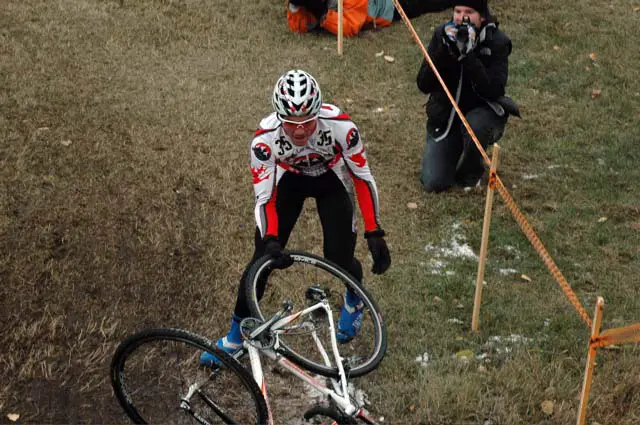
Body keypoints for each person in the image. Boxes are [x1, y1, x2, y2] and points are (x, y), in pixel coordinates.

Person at [200, 69, 391, 366]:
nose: (300, 131)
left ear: (319, 112)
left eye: (307, 122)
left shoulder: (342, 126)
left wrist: (374, 230)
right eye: (291, 123)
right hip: (289, 180)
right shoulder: (264, 140)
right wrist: (273, 238)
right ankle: (235, 337)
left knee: (338, 257)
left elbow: (362, 178)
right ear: (279, 116)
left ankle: (355, 297)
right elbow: (265, 199)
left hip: (331, 178)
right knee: (261, 259)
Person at [416, 0, 520, 193]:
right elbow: (423, 84)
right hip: (446, 117)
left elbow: (494, 90)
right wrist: (443, 52)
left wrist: (470, 57)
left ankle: (471, 173)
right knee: (433, 182)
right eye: (457, 11)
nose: (462, 17)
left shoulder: (497, 42)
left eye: (469, 12)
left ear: (481, 16)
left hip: (480, 114)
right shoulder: (442, 34)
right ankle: (451, 150)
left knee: (476, 125)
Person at [287, 0, 453, 37]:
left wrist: (322, 12)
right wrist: (295, 6)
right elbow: (299, 26)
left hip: (389, 5)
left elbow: (350, 26)